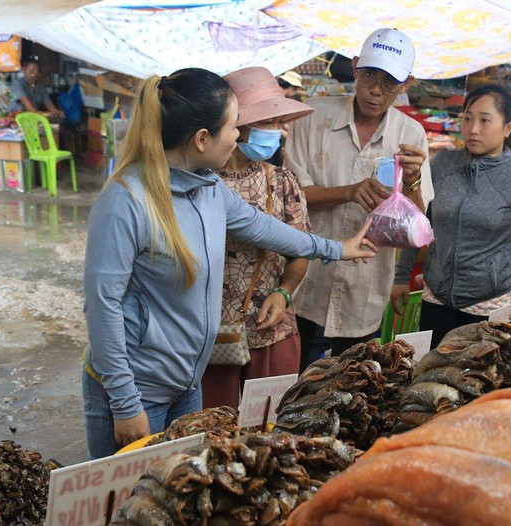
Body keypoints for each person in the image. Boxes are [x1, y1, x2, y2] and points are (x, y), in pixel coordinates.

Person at [82, 67, 376, 459]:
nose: (240, 135)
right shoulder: (125, 201)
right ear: (202, 139)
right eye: (233, 126)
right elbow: (103, 306)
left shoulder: (208, 188)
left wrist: (336, 248)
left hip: (186, 386)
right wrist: (124, 402)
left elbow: (268, 230)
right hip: (137, 391)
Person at [285, 27, 433, 371]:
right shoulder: (311, 118)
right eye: (369, 75)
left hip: (363, 291)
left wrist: (411, 183)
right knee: (290, 383)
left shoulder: (410, 135)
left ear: (406, 83)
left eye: (389, 82)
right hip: (304, 282)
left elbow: (415, 225)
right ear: (354, 67)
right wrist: (348, 192)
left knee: (349, 388)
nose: (376, 91)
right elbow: (290, 200)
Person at [392, 85, 511, 347]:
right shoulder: (442, 165)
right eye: (467, 118)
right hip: (436, 298)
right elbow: (420, 222)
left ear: (507, 128)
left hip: (491, 305)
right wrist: (400, 276)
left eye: (485, 120)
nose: (473, 128)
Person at [202, 67, 315, 409]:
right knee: (211, 430)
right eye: (268, 122)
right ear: (238, 124)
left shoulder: (283, 182)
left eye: (279, 123)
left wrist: (284, 293)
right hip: (211, 335)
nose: (279, 133)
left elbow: (301, 250)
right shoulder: (201, 183)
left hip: (273, 329)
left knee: (267, 427)